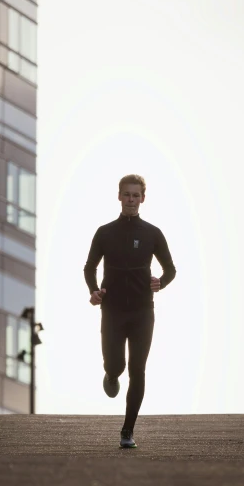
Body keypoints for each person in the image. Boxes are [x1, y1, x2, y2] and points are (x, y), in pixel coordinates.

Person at [84, 174, 176, 448]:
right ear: (119, 196)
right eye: (127, 194)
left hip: (142, 312)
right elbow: (90, 267)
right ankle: (111, 374)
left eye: (136, 195)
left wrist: (162, 281)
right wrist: (93, 290)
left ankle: (127, 430)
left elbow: (170, 269)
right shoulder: (105, 232)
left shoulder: (152, 233)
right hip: (112, 311)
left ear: (143, 199)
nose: (131, 200)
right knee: (117, 365)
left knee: (138, 369)